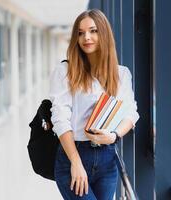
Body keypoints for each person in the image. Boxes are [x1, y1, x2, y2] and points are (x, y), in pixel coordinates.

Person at [49, 9, 140, 200]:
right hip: (73, 155)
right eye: (80, 33)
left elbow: (131, 113)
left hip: (108, 159)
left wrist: (114, 136)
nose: (86, 37)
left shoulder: (121, 74)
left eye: (93, 31)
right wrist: (75, 162)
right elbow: (60, 118)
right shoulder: (65, 71)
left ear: (104, 34)